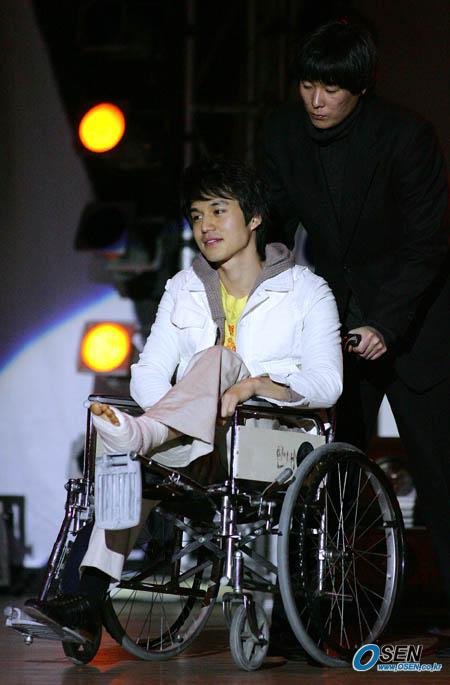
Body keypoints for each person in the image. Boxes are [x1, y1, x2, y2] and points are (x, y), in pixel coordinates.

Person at [25, 158, 343, 639]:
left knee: (217, 361)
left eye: (218, 211)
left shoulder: (305, 290)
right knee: (124, 459)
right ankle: (85, 604)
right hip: (193, 442)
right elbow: (148, 373)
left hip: (266, 439)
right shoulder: (184, 287)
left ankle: (146, 434)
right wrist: (181, 413)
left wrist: (256, 385)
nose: (205, 226)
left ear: (254, 218)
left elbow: (328, 382)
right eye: (196, 216)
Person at [263, 19, 450, 609]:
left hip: (416, 325)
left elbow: (427, 245)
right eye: (307, 85)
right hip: (337, 325)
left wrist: (385, 324)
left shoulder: (406, 138)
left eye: (331, 89)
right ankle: (319, 613)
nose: (316, 100)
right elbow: (270, 225)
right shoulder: (283, 135)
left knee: (441, 477)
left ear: (361, 87)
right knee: (329, 474)